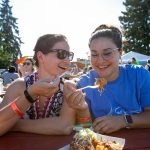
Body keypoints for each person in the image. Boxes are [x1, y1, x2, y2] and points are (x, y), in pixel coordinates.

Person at [65, 24, 150, 134]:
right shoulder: (84, 83)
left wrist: (123, 120)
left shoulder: (139, 75)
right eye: (94, 54)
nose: (100, 61)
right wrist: (82, 110)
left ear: (120, 52)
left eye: (107, 53)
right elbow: (85, 128)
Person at [0, 34, 80, 135]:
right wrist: (30, 94)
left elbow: (65, 126)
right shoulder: (19, 86)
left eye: (69, 55)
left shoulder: (68, 87)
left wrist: (15, 124)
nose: (68, 61)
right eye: (62, 54)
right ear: (41, 57)